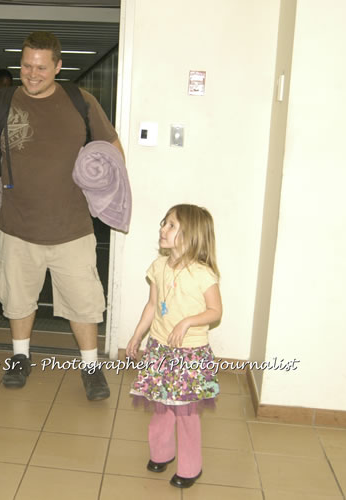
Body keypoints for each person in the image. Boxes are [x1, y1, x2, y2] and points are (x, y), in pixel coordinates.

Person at [0, 31, 124, 401]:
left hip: (72, 228)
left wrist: (110, 187)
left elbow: (113, 149)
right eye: (25, 65)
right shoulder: (3, 103)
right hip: (17, 227)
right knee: (17, 298)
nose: (31, 74)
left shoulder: (80, 101)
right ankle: (20, 358)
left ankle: (90, 365)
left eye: (40, 67)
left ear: (57, 67)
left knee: (84, 302)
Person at [126, 204, 223, 490]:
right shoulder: (158, 267)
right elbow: (153, 305)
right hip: (159, 348)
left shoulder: (203, 274)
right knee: (161, 405)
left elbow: (215, 311)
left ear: (190, 235)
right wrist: (136, 336)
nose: (162, 229)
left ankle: (191, 467)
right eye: (163, 223)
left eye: (170, 225)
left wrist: (187, 322)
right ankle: (161, 452)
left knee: (186, 413)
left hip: (189, 353)